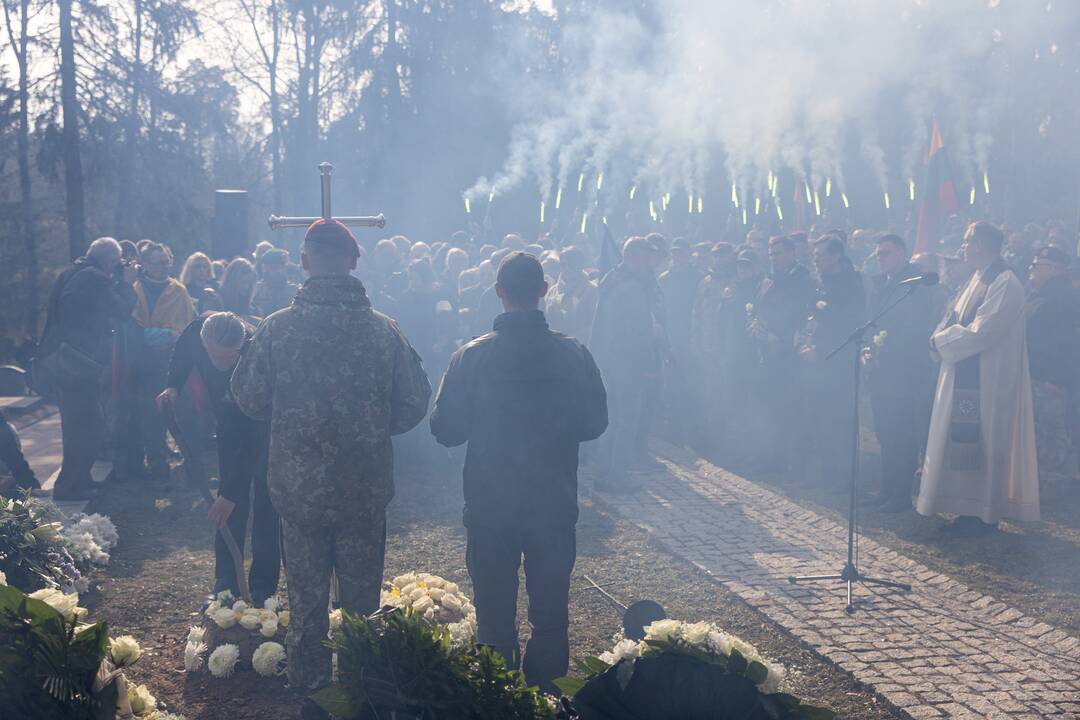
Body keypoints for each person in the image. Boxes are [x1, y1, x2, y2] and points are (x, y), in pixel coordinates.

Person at [231, 219, 430, 712]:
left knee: (306, 604)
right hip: (363, 489)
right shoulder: (384, 331)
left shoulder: (278, 329)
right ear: (354, 262)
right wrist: (366, 428)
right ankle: (362, 693)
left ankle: (312, 693)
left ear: (302, 261)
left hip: (299, 494)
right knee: (362, 606)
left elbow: (248, 397)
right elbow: (412, 404)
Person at [429, 252, 607, 693]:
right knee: (550, 614)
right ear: (544, 291)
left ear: (499, 292)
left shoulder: (472, 357)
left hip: (492, 506)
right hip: (553, 501)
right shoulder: (573, 353)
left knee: (494, 613)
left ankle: (499, 699)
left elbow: (445, 430)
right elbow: (595, 423)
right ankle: (548, 696)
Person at [917, 222, 1039, 532]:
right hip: (963, 372)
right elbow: (954, 318)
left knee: (986, 440)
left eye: (967, 243)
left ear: (981, 246)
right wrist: (938, 337)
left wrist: (941, 341)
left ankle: (983, 512)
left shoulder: (1005, 282)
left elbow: (983, 331)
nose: (963, 249)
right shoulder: (976, 278)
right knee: (959, 438)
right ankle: (963, 506)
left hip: (988, 377)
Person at [157, 312, 279, 603]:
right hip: (227, 421)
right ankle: (226, 584)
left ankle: (263, 589)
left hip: (264, 429)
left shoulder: (257, 353)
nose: (220, 364)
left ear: (242, 346)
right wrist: (173, 385)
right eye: (214, 356)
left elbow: (250, 438)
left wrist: (231, 492)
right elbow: (183, 353)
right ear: (204, 342)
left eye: (228, 358)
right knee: (229, 512)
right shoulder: (199, 330)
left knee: (267, 508)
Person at [36, 237, 137, 500]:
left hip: (65, 360)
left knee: (78, 424)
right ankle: (69, 485)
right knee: (89, 425)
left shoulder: (72, 272)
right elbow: (123, 310)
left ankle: (78, 479)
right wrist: (126, 281)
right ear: (109, 261)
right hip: (78, 363)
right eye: (117, 261)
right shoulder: (94, 278)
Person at [867, 234, 939, 512]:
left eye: (885, 253)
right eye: (878, 254)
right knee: (885, 431)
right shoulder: (881, 283)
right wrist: (869, 349)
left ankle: (900, 495)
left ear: (901, 253)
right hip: (881, 369)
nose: (880, 259)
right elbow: (871, 319)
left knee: (902, 432)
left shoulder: (916, 282)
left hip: (906, 370)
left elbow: (915, 325)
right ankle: (886, 490)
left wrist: (888, 346)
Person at [589, 236, 665, 489]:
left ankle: (604, 469)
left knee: (611, 417)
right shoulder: (631, 287)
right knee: (626, 418)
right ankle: (617, 474)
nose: (649, 262)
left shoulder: (611, 278)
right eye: (645, 256)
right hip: (626, 361)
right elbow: (637, 331)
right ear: (632, 255)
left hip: (607, 358)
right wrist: (649, 363)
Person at [794, 234, 865, 490]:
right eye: (814, 256)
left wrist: (821, 349)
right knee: (816, 418)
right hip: (813, 364)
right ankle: (823, 472)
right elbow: (807, 318)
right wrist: (801, 342)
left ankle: (842, 477)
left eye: (821, 255)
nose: (816, 260)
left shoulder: (851, 284)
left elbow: (850, 325)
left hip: (838, 365)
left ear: (836, 256)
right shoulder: (817, 282)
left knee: (838, 421)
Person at [126, 242, 194, 482]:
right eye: (158, 263)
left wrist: (174, 337)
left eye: (167, 262)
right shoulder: (134, 290)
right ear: (144, 265)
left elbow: (188, 323)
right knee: (150, 413)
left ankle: (189, 461)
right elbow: (132, 328)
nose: (164, 267)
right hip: (144, 364)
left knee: (181, 411)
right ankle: (156, 461)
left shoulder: (179, 290)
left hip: (174, 359)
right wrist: (157, 335)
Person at [748, 235, 817, 472]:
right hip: (767, 353)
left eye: (778, 253)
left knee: (792, 411)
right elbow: (759, 308)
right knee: (768, 409)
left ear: (791, 253)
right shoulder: (767, 280)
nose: (773, 258)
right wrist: (758, 325)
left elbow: (804, 315)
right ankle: (770, 459)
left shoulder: (803, 279)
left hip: (790, 355)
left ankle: (794, 464)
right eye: (771, 254)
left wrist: (784, 338)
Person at [1024, 245, 1080, 495]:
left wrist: (1057, 379)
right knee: (1038, 432)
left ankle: (1054, 486)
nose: (1031, 269)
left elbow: (1068, 345)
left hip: (1050, 380)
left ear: (1056, 270)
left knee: (1050, 434)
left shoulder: (1064, 299)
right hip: (1036, 375)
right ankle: (1041, 483)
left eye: (1038, 265)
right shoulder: (1038, 295)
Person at [544, 245, 598, 340]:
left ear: (581, 265)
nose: (567, 268)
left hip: (581, 348)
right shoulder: (551, 292)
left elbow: (596, 324)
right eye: (564, 264)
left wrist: (573, 338)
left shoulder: (593, 291)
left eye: (572, 264)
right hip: (554, 347)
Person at [253, 248, 299, 317]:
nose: (279, 271)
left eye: (281, 267)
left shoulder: (293, 291)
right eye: (265, 268)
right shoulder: (256, 290)